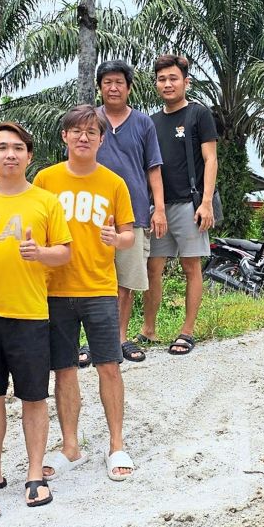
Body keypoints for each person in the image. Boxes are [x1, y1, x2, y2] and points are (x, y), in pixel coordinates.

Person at [0, 122, 73, 507]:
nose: (11, 154)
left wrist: (41, 254)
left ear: (29, 156)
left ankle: (34, 472)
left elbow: (65, 252)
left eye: (19, 148)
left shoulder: (45, 202)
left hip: (29, 315)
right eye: (3, 147)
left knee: (33, 397)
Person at [33, 105, 137, 482]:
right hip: (54, 289)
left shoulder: (114, 182)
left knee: (108, 365)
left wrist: (117, 238)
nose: (83, 137)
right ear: (64, 136)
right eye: (76, 131)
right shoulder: (44, 180)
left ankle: (116, 443)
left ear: (101, 139)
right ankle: (70, 446)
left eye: (91, 132)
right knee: (63, 369)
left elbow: (128, 233)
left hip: (98, 288)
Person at [142, 54, 219, 356]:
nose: (167, 84)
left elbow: (211, 159)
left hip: (190, 203)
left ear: (186, 81)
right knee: (153, 267)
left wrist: (207, 202)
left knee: (191, 266)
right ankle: (148, 329)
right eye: (162, 79)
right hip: (158, 206)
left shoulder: (198, 114)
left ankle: (187, 331)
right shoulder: (150, 122)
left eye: (173, 78)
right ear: (156, 84)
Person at [93, 60, 166, 364]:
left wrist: (158, 208)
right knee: (94, 280)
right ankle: (93, 341)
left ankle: (120, 339)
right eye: (107, 82)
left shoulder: (143, 123)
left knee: (126, 281)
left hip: (133, 213)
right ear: (100, 87)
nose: (113, 87)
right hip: (93, 214)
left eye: (119, 82)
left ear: (129, 88)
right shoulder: (89, 120)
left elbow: (153, 167)